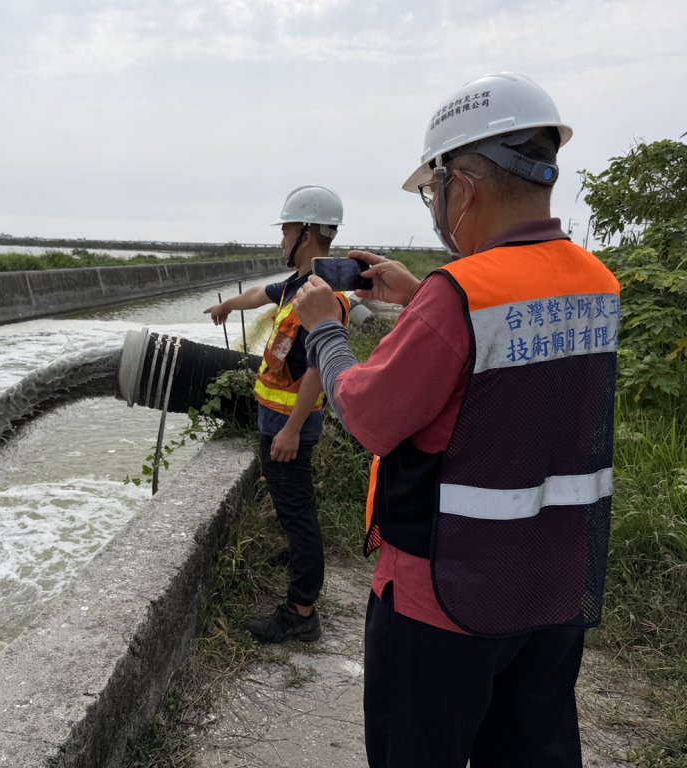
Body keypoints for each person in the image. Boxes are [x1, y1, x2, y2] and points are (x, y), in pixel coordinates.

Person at [294, 73, 621, 767]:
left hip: (445, 596)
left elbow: (369, 416)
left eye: (431, 192)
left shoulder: (461, 294)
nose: (435, 208)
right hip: (555, 584)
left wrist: (326, 330)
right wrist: (418, 299)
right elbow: (504, 375)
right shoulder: (599, 283)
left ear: (461, 188)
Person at [203, 184, 350, 644]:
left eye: (286, 229)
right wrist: (227, 305)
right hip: (277, 422)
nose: (281, 238)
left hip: (291, 428)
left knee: (299, 512)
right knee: (293, 508)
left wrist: (289, 430)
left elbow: (316, 372)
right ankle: (297, 561)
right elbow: (258, 297)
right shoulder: (295, 285)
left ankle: (301, 612)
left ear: (305, 233)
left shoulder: (322, 297)